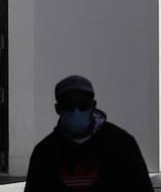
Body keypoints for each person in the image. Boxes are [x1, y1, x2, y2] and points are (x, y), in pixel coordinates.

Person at [24, 74, 154, 192]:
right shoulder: (45, 153)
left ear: (93, 106)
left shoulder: (121, 145)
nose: (76, 112)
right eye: (69, 106)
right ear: (58, 109)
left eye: (83, 105)